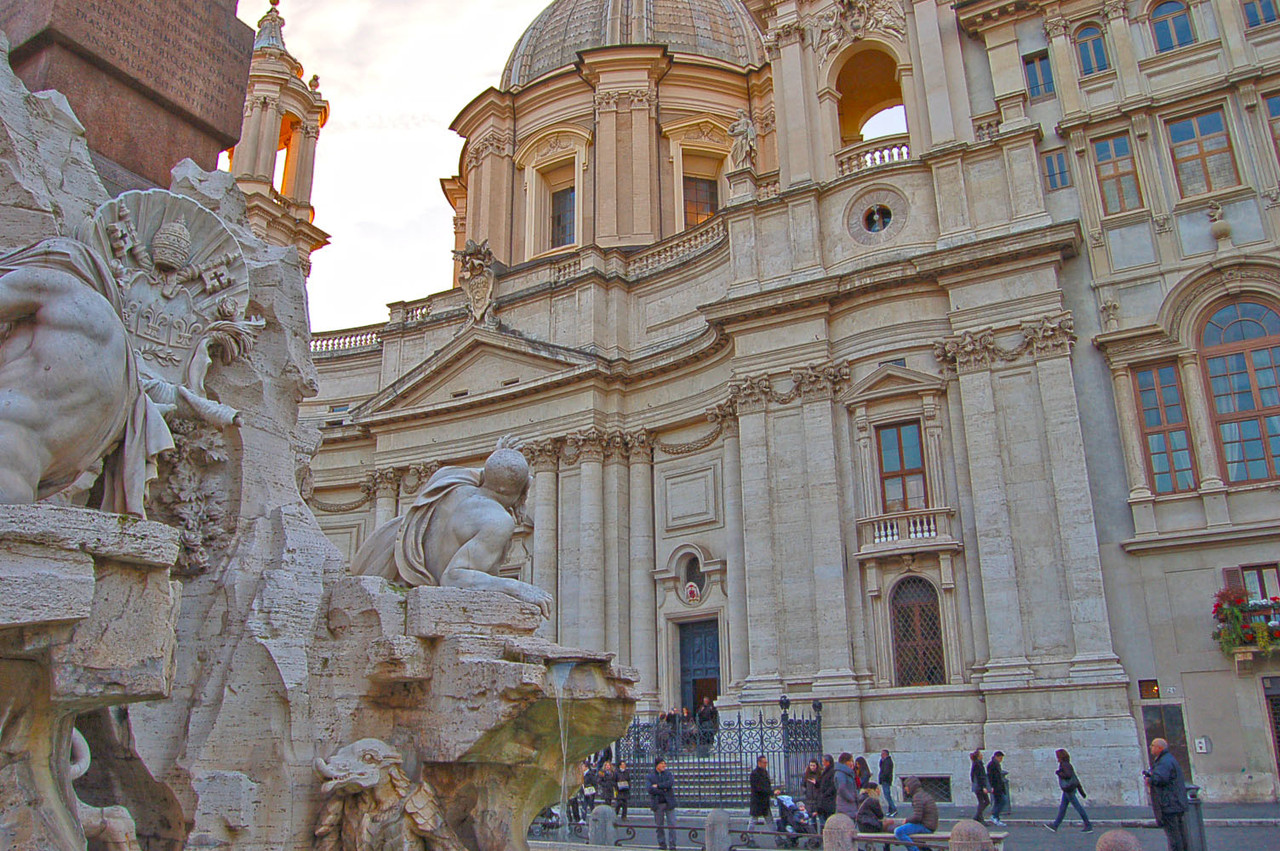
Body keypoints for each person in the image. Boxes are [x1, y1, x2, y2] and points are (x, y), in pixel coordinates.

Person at [351, 439, 554, 616]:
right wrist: (516, 587)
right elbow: (453, 576)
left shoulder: (448, 480)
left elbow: (491, 474)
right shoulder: (497, 521)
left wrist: (502, 457)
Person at [1145, 737, 1190, 851]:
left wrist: (1149, 780)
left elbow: (1160, 779)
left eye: (1153, 745)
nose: (1150, 748)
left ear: (1159, 748)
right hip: (1175, 802)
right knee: (1179, 834)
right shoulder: (1167, 759)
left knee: (1174, 836)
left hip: (1169, 804)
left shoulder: (1164, 761)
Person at [1043, 748, 1092, 833]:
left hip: (1069, 789)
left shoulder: (1065, 765)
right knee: (1062, 808)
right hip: (1068, 790)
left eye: (1057, 756)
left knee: (1078, 807)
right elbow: (1075, 778)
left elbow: (1068, 775)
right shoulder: (1066, 764)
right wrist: (1081, 792)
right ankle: (1055, 825)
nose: (1056, 758)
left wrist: (1058, 773)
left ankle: (1088, 825)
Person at [893, 776, 938, 847]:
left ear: (911, 786)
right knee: (912, 836)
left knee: (899, 832)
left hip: (925, 826)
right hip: (930, 825)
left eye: (906, 786)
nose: (905, 788)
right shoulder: (923, 794)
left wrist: (907, 820)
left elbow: (917, 817)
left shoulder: (917, 797)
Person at [647, 758, 678, 850]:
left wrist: (658, 786)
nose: (664, 765)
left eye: (665, 763)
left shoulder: (668, 774)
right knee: (659, 826)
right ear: (657, 765)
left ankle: (672, 845)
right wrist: (663, 790)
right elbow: (650, 789)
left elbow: (670, 784)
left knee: (672, 825)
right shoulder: (650, 776)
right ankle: (662, 845)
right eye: (662, 763)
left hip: (669, 803)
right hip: (658, 803)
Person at [855, 782, 890, 851]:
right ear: (872, 790)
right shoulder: (872, 800)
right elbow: (880, 816)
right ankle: (887, 847)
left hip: (861, 826)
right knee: (889, 824)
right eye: (878, 789)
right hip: (871, 826)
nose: (879, 791)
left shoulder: (859, 798)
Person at [834, 752, 861, 819]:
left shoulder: (847, 773)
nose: (852, 763)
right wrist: (851, 798)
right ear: (845, 762)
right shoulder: (841, 773)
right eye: (850, 761)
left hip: (850, 805)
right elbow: (842, 788)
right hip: (845, 805)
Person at [987, 751, 1008, 827]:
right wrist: (992, 786)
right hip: (996, 787)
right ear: (996, 757)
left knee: (998, 802)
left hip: (998, 787)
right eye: (1000, 758)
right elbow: (991, 777)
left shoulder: (996, 764)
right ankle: (994, 816)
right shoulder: (992, 765)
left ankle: (996, 817)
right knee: (1002, 801)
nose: (1001, 759)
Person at [815, 754, 838, 828]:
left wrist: (825, 794)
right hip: (823, 800)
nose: (823, 763)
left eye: (824, 761)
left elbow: (832, 786)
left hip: (829, 800)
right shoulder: (825, 771)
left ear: (828, 762)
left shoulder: (832, 771)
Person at [749, 756, 773, 823]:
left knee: (769, 819)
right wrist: (770, 792)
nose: (765, 764)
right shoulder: (754, 774)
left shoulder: (765, 772)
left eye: (766, 763)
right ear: (759, 763)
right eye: (764, 762)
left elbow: (767, 785)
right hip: (757, 800)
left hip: (765, 801)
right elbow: (757, 788)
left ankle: (775, 833)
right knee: (753, 819)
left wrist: (771, 791)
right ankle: (748, 833)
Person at [970, 749, 990, 824]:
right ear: (978, 756)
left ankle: (978, 817)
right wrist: (983, 787)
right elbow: (980, 777)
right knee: (984, 802)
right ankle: (978, 817)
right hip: (979, 786)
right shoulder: (978, 764)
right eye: (981, 755)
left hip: (978, 786)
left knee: (984, 802)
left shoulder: (977, 763)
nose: (982, 756)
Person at [878, 749, 897, 816]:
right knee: (887, 795)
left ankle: (893, 809)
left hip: (886, 780)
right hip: (885, 780)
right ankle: (890, 810)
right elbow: (881, 767)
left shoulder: (888, 762)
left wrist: (882, 778)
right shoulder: (884, 761)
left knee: (887, 796)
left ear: (885, 754)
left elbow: (885, 772)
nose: (881, 755)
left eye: (882, 754)